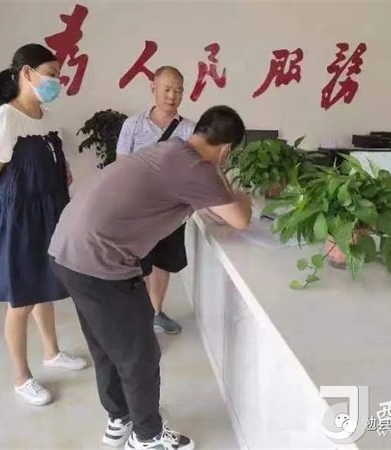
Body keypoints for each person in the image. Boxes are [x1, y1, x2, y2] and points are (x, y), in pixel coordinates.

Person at [49, 105, 251, 450]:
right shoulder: (196, 168)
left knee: (106, 346)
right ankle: (147, 436)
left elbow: (211, 210)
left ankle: (120, 418)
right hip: (101, 262)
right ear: (226, 149)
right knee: (139, 354)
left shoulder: (170, 149)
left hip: (66, 250)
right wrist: (241, 194)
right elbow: (239, 219)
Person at [0, 43, 87, 406]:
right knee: (22, 298)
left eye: (58, 75)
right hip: (21, 220)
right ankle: (21, 377)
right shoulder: (3, 120)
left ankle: (52, 352)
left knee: (44, 286)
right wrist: (22, 197)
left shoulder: (46, 117)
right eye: (51, 74)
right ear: (26, 73)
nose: (57, 81)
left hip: (51, 213)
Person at [116, 66, 196, 335]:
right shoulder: (133, 125)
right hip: (138, 212)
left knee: (163, 263)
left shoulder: (189, 129)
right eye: (167, 89)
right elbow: (122, 168)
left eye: (178, 91)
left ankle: (156, 312)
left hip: (171, 212)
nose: (172, 96)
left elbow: (194, 171)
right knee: (137, 265)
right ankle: (138, 317)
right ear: (153, 87)